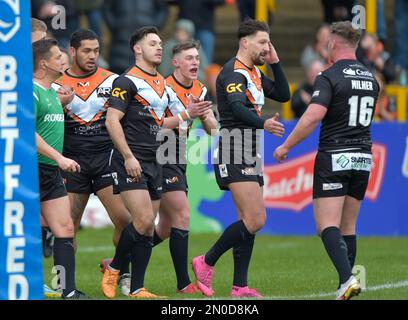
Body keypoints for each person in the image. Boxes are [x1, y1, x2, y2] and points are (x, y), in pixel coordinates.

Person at [100, 26, 211, 299]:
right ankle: (115, 268)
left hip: (156, 160)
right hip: (132, 159)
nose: (159, 47)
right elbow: (112, 120)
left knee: (149, 228)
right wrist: (127, 156)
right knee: (144, 220)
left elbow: (162, 123)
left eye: (160, 43)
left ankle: (136, 286)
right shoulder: (126, 81)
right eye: (152, 43)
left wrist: (189, 113)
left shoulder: (161, 83)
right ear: (138, 49)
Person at [273, 21, 380, 300]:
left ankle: (346, 280)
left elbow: (313, 115)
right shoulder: (371, 78)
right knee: (349, 226)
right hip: (363, 157)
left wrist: (286, 145)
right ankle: (344, 284)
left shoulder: (329, 75)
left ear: (333, 44)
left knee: (326, 226)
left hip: (335, 155)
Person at [191, 19, 290, 298]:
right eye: (261, 42)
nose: (266, 47)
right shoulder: (234, 72)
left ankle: (240, 286)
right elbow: (235, 107)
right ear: (244, 42)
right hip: (235, 147)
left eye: (268, 42)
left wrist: (276, 61)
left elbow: (283, 94)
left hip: (249, 149)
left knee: (247, 219)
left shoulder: (254, 72)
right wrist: (263, 124)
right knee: (256, 219)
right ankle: (206, 261)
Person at [52, 29, 132, 295]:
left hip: (106, 160)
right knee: (68, 228)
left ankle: (120, 269)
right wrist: (58, 105)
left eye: (96, 50)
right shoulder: (54, 84)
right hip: (70, 163)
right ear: (72, 52)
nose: (92, 56)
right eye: (86, 50)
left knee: (125, 220)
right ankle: (66, 286)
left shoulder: (114, 81)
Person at [152, 40, 218, 294]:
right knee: (182, 216)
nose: (195, 63)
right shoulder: (163, 87)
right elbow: (155, 126)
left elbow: (213, 131)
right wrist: (187, 114)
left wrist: (208, 116)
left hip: (178, 154)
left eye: (197, 58)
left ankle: (117, 262)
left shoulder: (200, 89)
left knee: (166, 227)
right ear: (176, 62)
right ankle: (183, 284)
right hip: (160, 151)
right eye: (189, 58)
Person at [33, 38, 89, 299]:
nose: (64, 59)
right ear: (43, 63)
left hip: (51, 172)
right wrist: (60, 157)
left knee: (65, 228)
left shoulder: (52, 92)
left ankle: (65, 289)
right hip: (30, 171)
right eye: (58, 57)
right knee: (24, 231)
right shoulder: (30, 92)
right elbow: (28, 134)